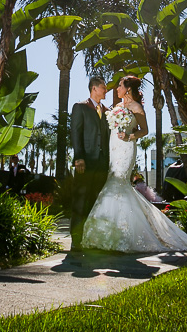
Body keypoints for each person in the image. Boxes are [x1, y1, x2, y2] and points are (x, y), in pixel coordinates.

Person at [82, 75, 187, 253]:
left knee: (118, 183)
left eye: (119, 85)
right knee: (112, 183)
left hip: (126, 150)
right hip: (113, 149)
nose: (116, 89)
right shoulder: (116, 107)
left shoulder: (136, 107)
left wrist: (129, 136)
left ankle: (121, 234)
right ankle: (108, 231)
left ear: (128, 89)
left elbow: (144, 131)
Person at [69, 76, 110, 251]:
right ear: (94, 88)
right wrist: (79, 157)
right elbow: (75, 133)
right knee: (81, 199)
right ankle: (76, 239)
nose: (105, 90)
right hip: (84, 162)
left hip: (101, 164)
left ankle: (90, 237)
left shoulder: (107, 111)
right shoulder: (80, 107)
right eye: (103, 87)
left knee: (95, 200)